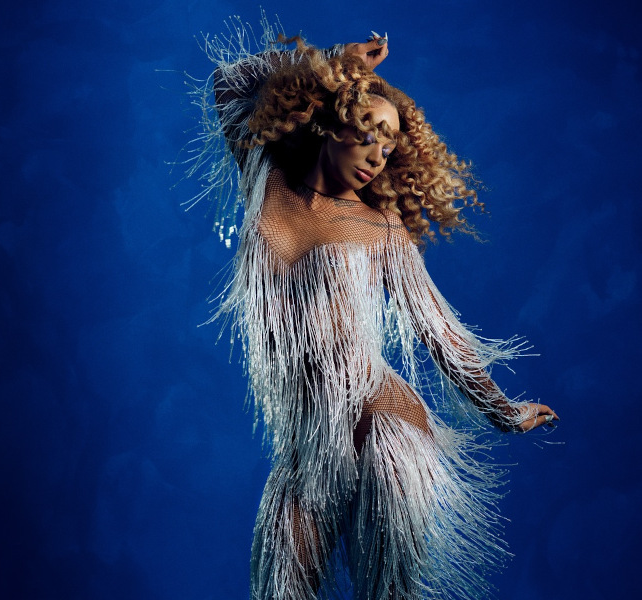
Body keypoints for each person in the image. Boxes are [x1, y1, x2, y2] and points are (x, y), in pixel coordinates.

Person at [185, 17, 558, 600]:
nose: (381, 155)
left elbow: (438, 329)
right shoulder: (267, 179)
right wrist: (336, 61)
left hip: (381, 425)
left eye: (391, 144)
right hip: (308, 447)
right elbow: (228, 84)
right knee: (281, 586)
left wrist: (501, 410)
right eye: (370, 133)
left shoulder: (380, 228)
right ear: (334, 123)